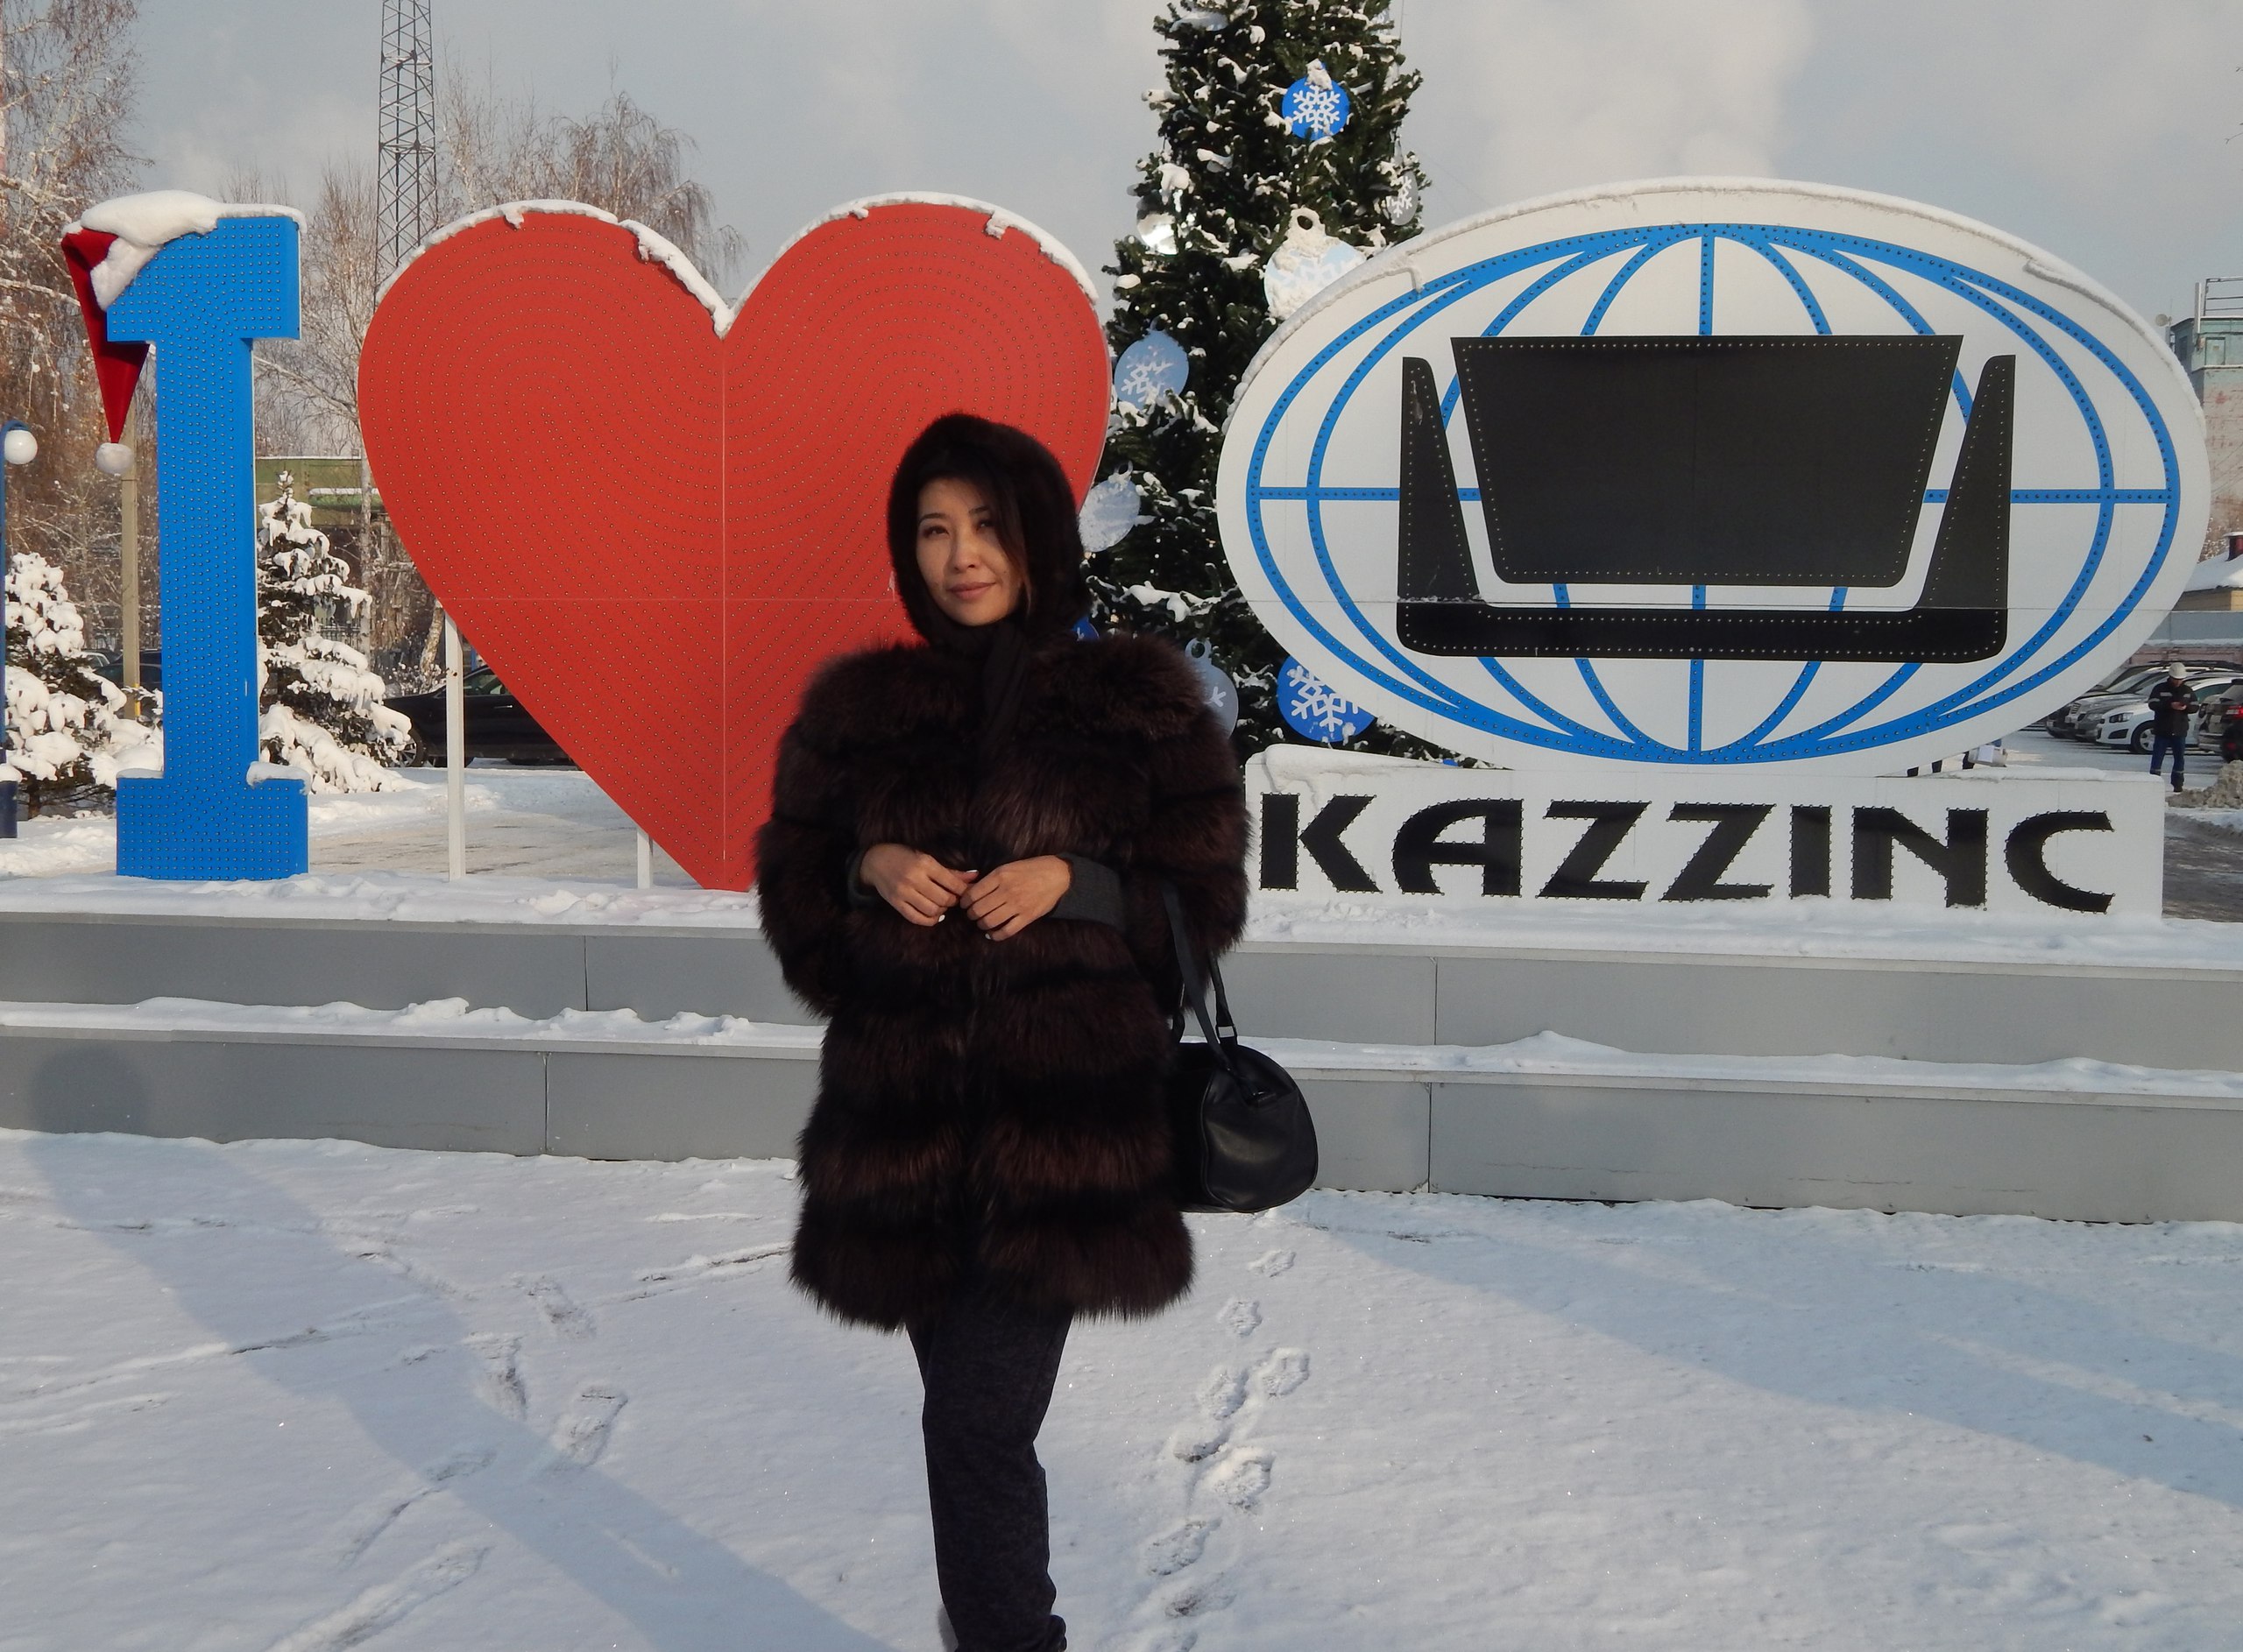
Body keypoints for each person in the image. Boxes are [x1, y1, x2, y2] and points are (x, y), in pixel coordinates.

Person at [754, 413, 1249, 1652]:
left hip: (1060, 1144)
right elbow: (802, 920)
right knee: (967, 1424)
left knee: (978, 1421)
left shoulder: (1140, 708)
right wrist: (867, 866)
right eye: (933, 529)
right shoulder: (858, 715)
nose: (961, 553)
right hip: (905, 1137)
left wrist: (1077, 882)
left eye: (986, 523)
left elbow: (1203, 910)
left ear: (1038, 534)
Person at [2145, 664, 2198, 793]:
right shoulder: (2160, 688)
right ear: (2170, 676)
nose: (2178, 682)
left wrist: (2186, 707)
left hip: (2180, 730)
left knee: (2179, 758)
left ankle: (2178, 784)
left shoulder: (2187, 690)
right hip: (2162, 729)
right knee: (2157, 758)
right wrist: (2169, 705)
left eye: (2180, 679)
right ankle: (2154, 783)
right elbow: (2152, 704)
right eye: (2176, 679)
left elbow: (2195, 706)